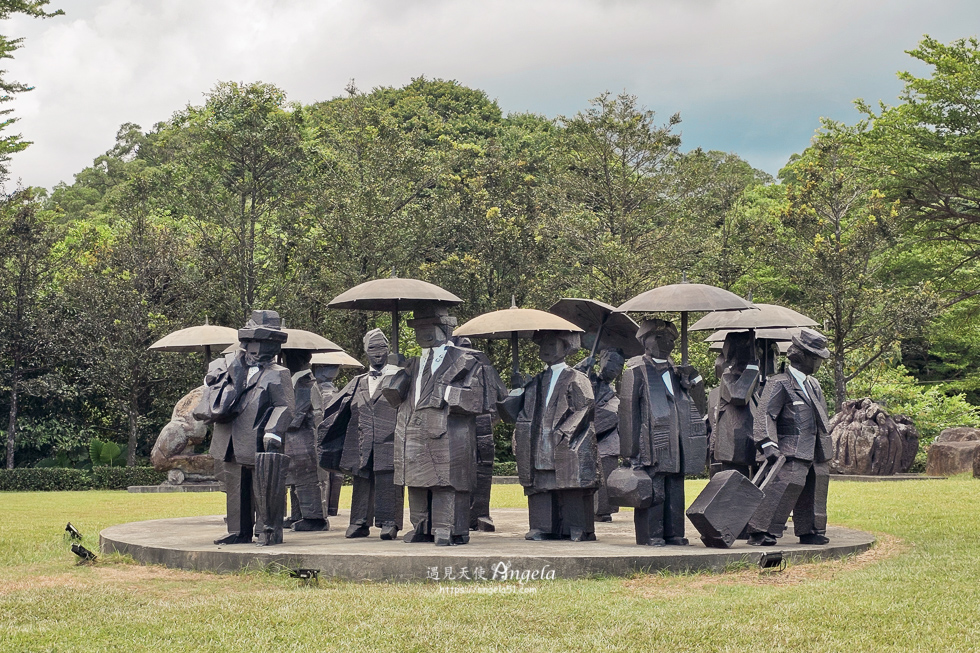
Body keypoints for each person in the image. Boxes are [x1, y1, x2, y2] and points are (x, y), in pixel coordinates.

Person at [381, 305, 487, 546]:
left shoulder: (466, 360)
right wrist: (393, 370)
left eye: (430, 327)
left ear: (445, 329)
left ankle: (446, 527)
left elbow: (477, 399)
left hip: (447, 432)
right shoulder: (412, 364)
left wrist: (446, 392)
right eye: (419, 328)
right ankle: (420, 526)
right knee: (416, 483)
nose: (424, 332)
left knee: (445, 484)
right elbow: (394, 398)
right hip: (412, 432)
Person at [195, 310, 294, 546]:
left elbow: (286, 407)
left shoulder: (278, 374)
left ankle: (267, 529)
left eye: (264, 346)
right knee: (235, 486)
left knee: (264, 486)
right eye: (252, 344)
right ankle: (238, 530)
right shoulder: (230, 368)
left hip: (259, 438)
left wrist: (273, 431)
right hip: (229, 437)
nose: (257, 351)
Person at [498, 330, 599, 542]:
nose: (546, 349)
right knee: (541, 484)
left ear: (566, 348)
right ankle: (541, 526)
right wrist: (516, 391)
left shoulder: (576, 378)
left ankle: (577, 527)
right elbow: (512, 414)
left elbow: (585, 408)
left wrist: (565, 432)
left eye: (552, 345)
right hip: (538, 442)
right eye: (543, 345)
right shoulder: (535, 381)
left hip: (565, 440)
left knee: (571, 486)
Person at [619, 319, 707, 546]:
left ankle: (675, 533)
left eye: (669, 339)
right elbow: (628, 414)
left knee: (676, 489)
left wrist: (694, 382)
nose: (665, 343)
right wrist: (630, 453)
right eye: (658, 338)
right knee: (654, 490)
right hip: (651, 444)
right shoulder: (636, 372)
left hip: (678, 443)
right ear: (645, 341)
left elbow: (699, 409)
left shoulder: (679, 373)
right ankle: (652, 533)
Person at [747, 328, 832, 546]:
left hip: (816, 448)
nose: (820, 363)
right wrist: (768, 443)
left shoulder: (813, 384)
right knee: (784, 486)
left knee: (816, 488)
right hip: (789, 448)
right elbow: (765, 414)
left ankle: (811, 529)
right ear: (803, 357)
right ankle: (761, 530)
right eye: (816, 358)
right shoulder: (780, 382)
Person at [319, 329, 404, 540]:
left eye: (382, 347)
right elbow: (336, 409)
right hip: (362, 439)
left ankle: (389, 522)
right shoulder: (357, 381)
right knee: (361, 478)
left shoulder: (399, 377)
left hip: (390, 439)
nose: (378, 353)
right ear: (365, 351)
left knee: (388, 479)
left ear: (388, 349)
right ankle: (359, 521)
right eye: (372, 348)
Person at [574, 348, 625, 522]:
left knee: (607, 469)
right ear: (601, 360)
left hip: (607, 436)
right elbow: (569, 383)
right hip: (586, 432)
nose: (614, 368)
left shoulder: (614, 391)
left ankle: (603, 510)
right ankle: (585, 508)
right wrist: (581, 367)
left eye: (619, 365)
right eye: (610, 362)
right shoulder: (588, 377)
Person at [282, 348, 327, 531]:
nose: (285, 361)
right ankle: (297, 515)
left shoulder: (305, 384)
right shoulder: (296, 381)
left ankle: (314, 518)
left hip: (305, 439)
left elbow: (296, 416)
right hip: (296, 440)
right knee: (296, 480)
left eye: (288, 357)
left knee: (308, 480)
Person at [708, 331, 760, 479]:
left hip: (748, 440)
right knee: (734, 483)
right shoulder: (728, 376)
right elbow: (739, 396)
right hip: (733, 444)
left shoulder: (751, 380)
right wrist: (752, 370)